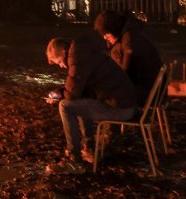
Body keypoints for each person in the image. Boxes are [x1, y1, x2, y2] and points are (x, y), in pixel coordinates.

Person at [45, 35, 138, 175]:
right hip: (124, 102)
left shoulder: (77, 58)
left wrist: (60, 96)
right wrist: (60, 93)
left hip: (120, 108)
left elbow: (72, 94)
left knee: (65, 106)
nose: (61, 65)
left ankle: (74, 159)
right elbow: (78, 88)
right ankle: (89, 145)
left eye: (58, 61)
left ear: (63, 52)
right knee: (78, 102)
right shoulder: (84, 51)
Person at [93, 10, 163, 104]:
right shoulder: (123, 39)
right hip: (144, 88)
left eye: (106, 34)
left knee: (99, 97)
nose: (105, 37)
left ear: (114, 29)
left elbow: (125, 73)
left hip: (145, 92)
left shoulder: (129, 40)